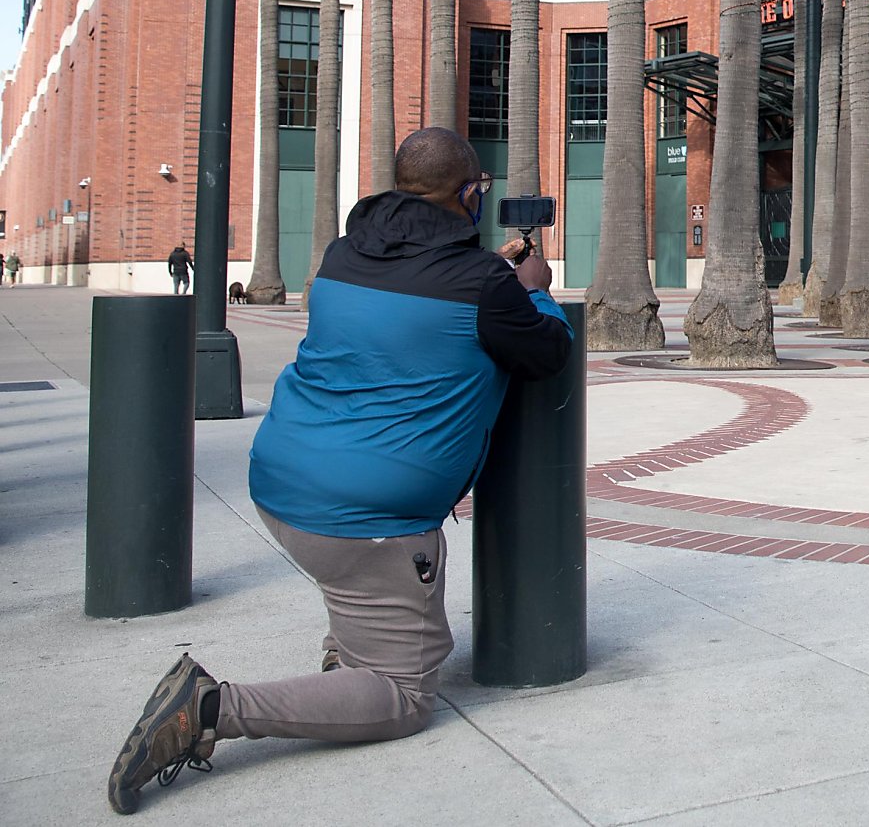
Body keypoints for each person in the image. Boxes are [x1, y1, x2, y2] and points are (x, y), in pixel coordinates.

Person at [107, 128, 572, 815]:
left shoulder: (343, 255)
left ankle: (346, 653)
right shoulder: (482, 285)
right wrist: (531, 291)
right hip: (368, 523)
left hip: (279, 484)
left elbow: (416, 298)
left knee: (361, 591)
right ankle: (209, 708)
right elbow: (548, 350)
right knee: (404, 694)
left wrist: (495, 280)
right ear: (469, 194)